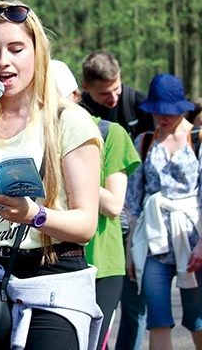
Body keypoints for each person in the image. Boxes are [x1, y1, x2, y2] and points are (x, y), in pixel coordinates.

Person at [0, 0, 103, 349]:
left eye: (16, 49)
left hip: (52, 285)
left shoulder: (67, 121)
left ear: (37, 53)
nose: (4, 61)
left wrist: (33, 214)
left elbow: (86, 225)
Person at [52, 59, 142, 350]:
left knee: (94, 344)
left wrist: (75, 170)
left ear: (76, 96)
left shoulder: (109, 133)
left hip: (102, 261)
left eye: (57, 101)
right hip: (56, 262)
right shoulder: (36, 139)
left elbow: (115, 205)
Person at [81, 51, 154, 350]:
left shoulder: (140, 104)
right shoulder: (79, 114)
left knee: (134, 304)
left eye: (116, 88)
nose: (113, 97)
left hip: (135, 212)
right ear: (86, 88)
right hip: (100, 218)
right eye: (104, 93)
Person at [126, 73, 202, 350]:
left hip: (193, 242)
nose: (162, 118)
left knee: (197, 320)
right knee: (157, 320)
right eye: (156, 111)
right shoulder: (144, 141)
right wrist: (131, 251)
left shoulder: (198, 138)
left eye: (168, 112)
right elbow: (133, 201)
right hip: (153, 242)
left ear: (182, 108)